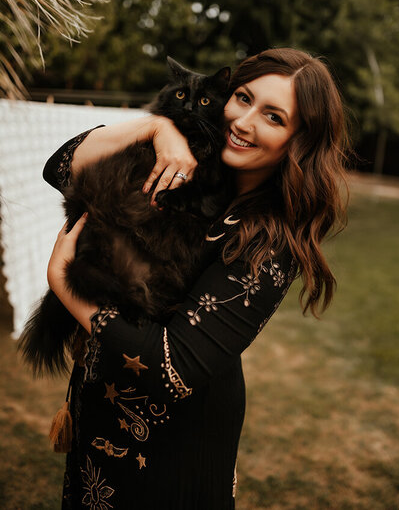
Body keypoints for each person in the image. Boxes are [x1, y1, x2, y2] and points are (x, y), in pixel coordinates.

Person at [44, 48, 348, 510]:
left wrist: (67, 287)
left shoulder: (270, 237)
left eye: (273, 116)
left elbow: (171, 368)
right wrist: (155, 127)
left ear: (299, 140)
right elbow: (62, 165)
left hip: (173, 448)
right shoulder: (188, 168)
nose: (243, 122)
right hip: (103, 421)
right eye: (242, 98)